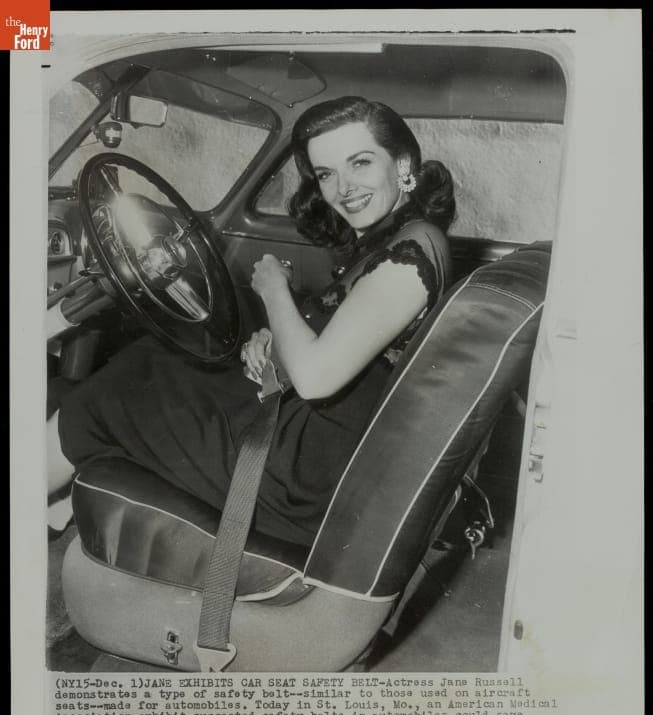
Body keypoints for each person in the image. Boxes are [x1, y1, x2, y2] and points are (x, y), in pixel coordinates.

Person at [48, 95, 456, 547]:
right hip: (318, 444)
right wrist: (275, 335)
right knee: (155, 360)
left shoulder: (411, 256)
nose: (343, 188)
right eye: (326, 174)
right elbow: (345, 333)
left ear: (402, 163)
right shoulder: (403, 238)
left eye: (360, 163)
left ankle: (38, 488)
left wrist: (274, 288)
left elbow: (318, 378)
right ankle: (62, 496)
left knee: (113, 394)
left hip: (301, 477)